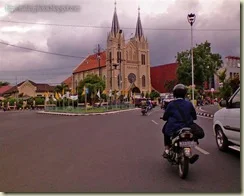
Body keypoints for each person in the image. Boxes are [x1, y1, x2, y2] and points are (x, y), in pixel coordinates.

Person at [162, 84, 199, 164]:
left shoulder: (171, 104)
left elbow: (165, 116)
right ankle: (189, 153)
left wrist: (165, 118)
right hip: (187, 126)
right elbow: (194, 116)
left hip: (174, 128)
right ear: (185, 94)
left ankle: (167, 150)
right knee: (192, 135)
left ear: (174, 94)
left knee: (165, 131)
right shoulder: (189, 104)